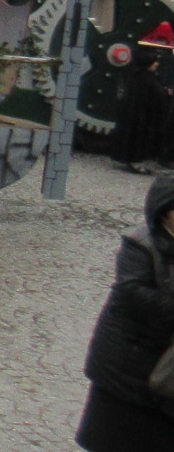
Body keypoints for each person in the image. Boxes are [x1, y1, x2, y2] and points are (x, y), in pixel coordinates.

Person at [75, 173, 174, 451]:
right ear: (165, 211)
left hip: (163, 375)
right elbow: (132, 292)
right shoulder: (141, 243)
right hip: (126, 366)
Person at [115, 24, 174, 174]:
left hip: (138, 116)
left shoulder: (137, 77)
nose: (157, 64)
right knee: (140, 139)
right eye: (154, 62)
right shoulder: (147, 80)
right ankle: (137, 162)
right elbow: (159, 96)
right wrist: (166, 94)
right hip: (143, 118)